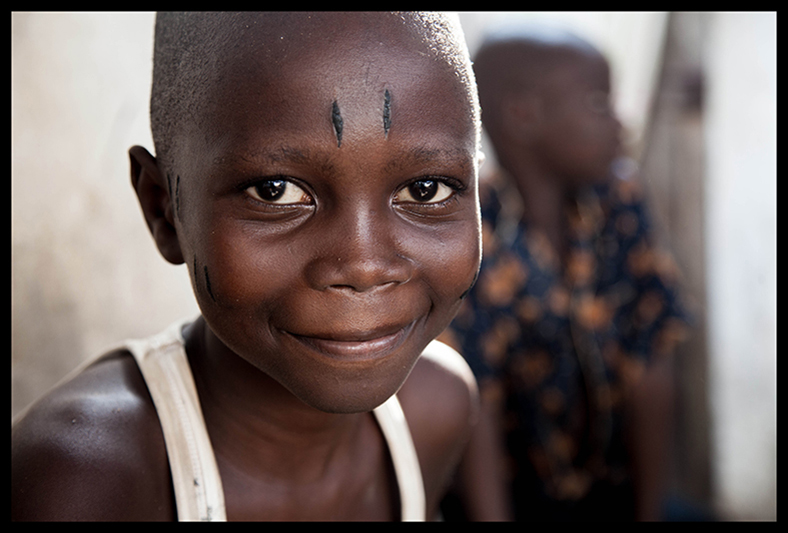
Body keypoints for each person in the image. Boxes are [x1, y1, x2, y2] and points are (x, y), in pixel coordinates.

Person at [11, 12, 484, 521]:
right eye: (275, 191)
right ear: (163, 210)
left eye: (425, 189)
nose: (363, 266)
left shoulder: (436, 411)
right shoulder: (81, 481)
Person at [438, 24, 690, 521]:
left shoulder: (619, 201)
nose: (621, 123)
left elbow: (651, 358)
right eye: (599, 103)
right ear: (522, 114)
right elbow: (476, 401)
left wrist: (649, 512)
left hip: (613, 490)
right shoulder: (471, 229)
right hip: (511, 498)